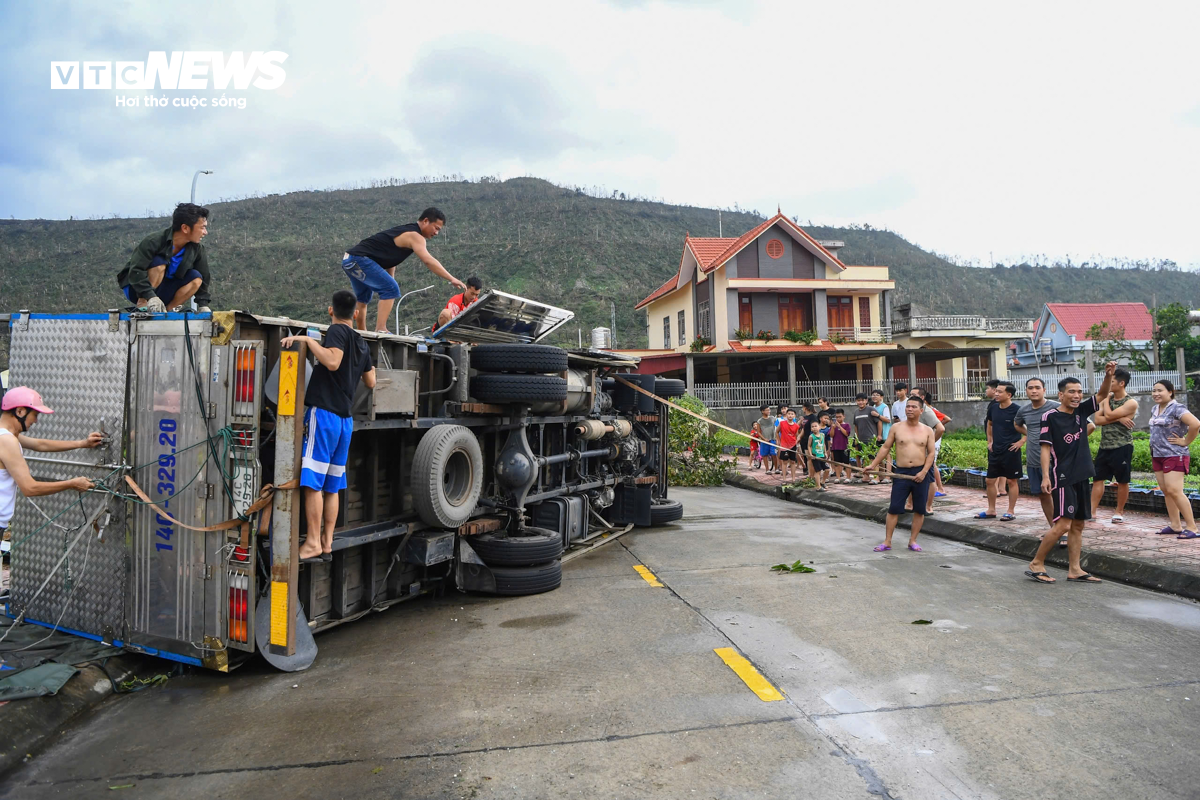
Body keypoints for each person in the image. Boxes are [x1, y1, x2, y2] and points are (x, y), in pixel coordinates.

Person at [280, 290, 377, 562]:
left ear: (330, 310)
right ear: (355, 313)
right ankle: (327, 542)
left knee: (313, 482)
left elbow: (332, 361)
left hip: (324, 415)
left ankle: (311, 542)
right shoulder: (361, 342)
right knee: (332, 486)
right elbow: (371, 381)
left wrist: (308, 342)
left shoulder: (336, 331)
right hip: (345, 421)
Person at [1024, 363, 1118, 584]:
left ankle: (1075, 569)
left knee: (1078, 524)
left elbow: (1103, 394)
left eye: (1079, 392)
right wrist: (1046, 476)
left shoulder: (1081, 412)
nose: (1076, 396)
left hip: (1082, 474)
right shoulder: (1050, 416)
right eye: (1071, 392)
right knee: (1064, 524)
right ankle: (1036, 563)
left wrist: (1108, 375)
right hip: (1062, 475)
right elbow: (1045, 447)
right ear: (1061, 394)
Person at [0, 388, 103, 541]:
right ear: (20, 411)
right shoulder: (6, 441)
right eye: (35, 415)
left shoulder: (7, 435)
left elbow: (40, 444)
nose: (35, 420)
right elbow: (30, 488)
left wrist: (82, 443)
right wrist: (71, 483)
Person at [342, 208, 466, 333]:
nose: (436, 233)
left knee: (363, 299)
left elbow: (390, 259)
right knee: (391, 289)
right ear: (426, 221)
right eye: (436, 228)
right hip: (360, 259)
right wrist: (451, 278)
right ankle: (381, 328)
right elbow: (428, 260)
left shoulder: (404, 231)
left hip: (349, 260)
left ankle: (361, 333)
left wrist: (390, 279)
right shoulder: (415, 236)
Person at [865, 396, 936, 552]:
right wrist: (873, 465)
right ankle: (887, 541)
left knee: (919, 509)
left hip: (920, 473)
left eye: (913, 407)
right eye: (908, 406)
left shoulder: (927, 430)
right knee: (894, 508)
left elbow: (931, 454)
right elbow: (885, 448)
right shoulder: (896, 428)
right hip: (901, 473)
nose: (909, 409)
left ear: (921, 410)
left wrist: (924, 472)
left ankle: (913, 541)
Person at [117, 202, 213, 313]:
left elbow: (204, 277)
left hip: (165, 289)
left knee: (196, 277)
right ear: (185, 228)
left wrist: (203, 305)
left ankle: (168, 310)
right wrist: (149, 295)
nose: (205, 232)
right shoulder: (153, 241)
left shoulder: (197, 249)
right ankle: (143, 303)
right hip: (136, 287)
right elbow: (136, 271)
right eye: (202, 228)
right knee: (159, 262)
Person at [1148, 379, 1200, 539]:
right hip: (1158, 455)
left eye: (1160, 390)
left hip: (1174, 455)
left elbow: (1195, 424)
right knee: (1166, 491)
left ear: (1170, 392)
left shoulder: (1177, 408)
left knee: (1175, 491)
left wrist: (1185, 441)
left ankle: (1192, 527)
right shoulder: (1155, 409)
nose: (1156, 394)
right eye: (1154, 390)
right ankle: (1175, 525)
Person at [1092, 368, 1138, 524]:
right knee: (1098, 478)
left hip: (1122, 445)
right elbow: (1097, 421)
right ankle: (1091, 511)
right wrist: (1119, 418)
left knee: (1122, 480)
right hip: (1104, 446)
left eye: (1112, 381)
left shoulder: (1131, 402)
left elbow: (1108, 415)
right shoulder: (1107, 398)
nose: (1109, 384)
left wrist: (1106, 405)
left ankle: (1119, 512)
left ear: (1121, 383)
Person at [1014, 377, 1060, 525]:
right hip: (1034, 460)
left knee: (1059, 495)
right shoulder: (1024, 410)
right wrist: (1029, 434)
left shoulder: (1057, 407)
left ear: (1044, 390)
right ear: (1026, 391)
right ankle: (1054, 529)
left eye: (1037, 387)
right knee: (1043, 495)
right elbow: (1017, 424)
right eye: (1030, 388)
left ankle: (1064, 530)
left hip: (1056, 461)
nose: (1034, 391)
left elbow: (1088, 425)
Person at [981, 382, 1022, 521]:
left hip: (1011, 450)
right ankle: (991, 510)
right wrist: (990, 441)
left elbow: (1032, 428)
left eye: (1000, 392)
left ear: (1009, 394)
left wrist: (1021, 442)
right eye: (996, 391)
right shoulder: (993, 408)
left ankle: (1010, 511)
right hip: (995, 450)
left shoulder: (1017, 410)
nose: (996, 394)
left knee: (1011, 481)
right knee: (989, 480)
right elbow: (990, 424)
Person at [776, 409, 802, 482]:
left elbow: (796, 435)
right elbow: (777, 432)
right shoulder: (782, 423)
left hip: (792, 445)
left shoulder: (796, 426)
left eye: (792, 414)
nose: (790, 415)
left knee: (793, 462)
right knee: (784, 462)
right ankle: (784, 479)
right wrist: (778, 441)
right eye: (789, 414)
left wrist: (797, 441)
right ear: (786, 415)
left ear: (794, 416)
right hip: (784, 445)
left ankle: (793, 478)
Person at [753, 406, 777, 474]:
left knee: (774, 454)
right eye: (767, 410)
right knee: (764, 455)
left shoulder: (773, 418)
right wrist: (764, 439)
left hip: (773, 439)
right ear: (762, 411)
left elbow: (777, 427)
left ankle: (776, 468)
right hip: (764, 440)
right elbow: (758, 432)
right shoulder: (759, 421)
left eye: (769, 410)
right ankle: (767, 469)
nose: (768, 411)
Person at [829, 409, 852, 483]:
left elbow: (846, 434)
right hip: (835, 447)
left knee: (846, 463)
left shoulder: (847, 425)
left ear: (844, 416)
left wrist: (839, 427)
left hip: (844, 447)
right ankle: (838, 477)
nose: (838, 419)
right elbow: (831, 435)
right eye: (837, 417)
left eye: (840, 417)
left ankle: (848, 477)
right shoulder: (833, 426)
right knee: (837, 463)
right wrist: (833, 427)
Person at [806, 419, 828, 492]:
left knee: (827, 469)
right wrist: (811, 454)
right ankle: (818, 487)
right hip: (815, 456)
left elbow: (824, 444)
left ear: (819, 427)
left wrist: (825, 452)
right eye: (812, 427)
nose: (814, 428)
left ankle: (822, 482)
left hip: (822, 455)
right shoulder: (811, 436)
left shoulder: (822, 435)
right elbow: (809, 446)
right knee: (817, 471)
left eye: (816, 426)